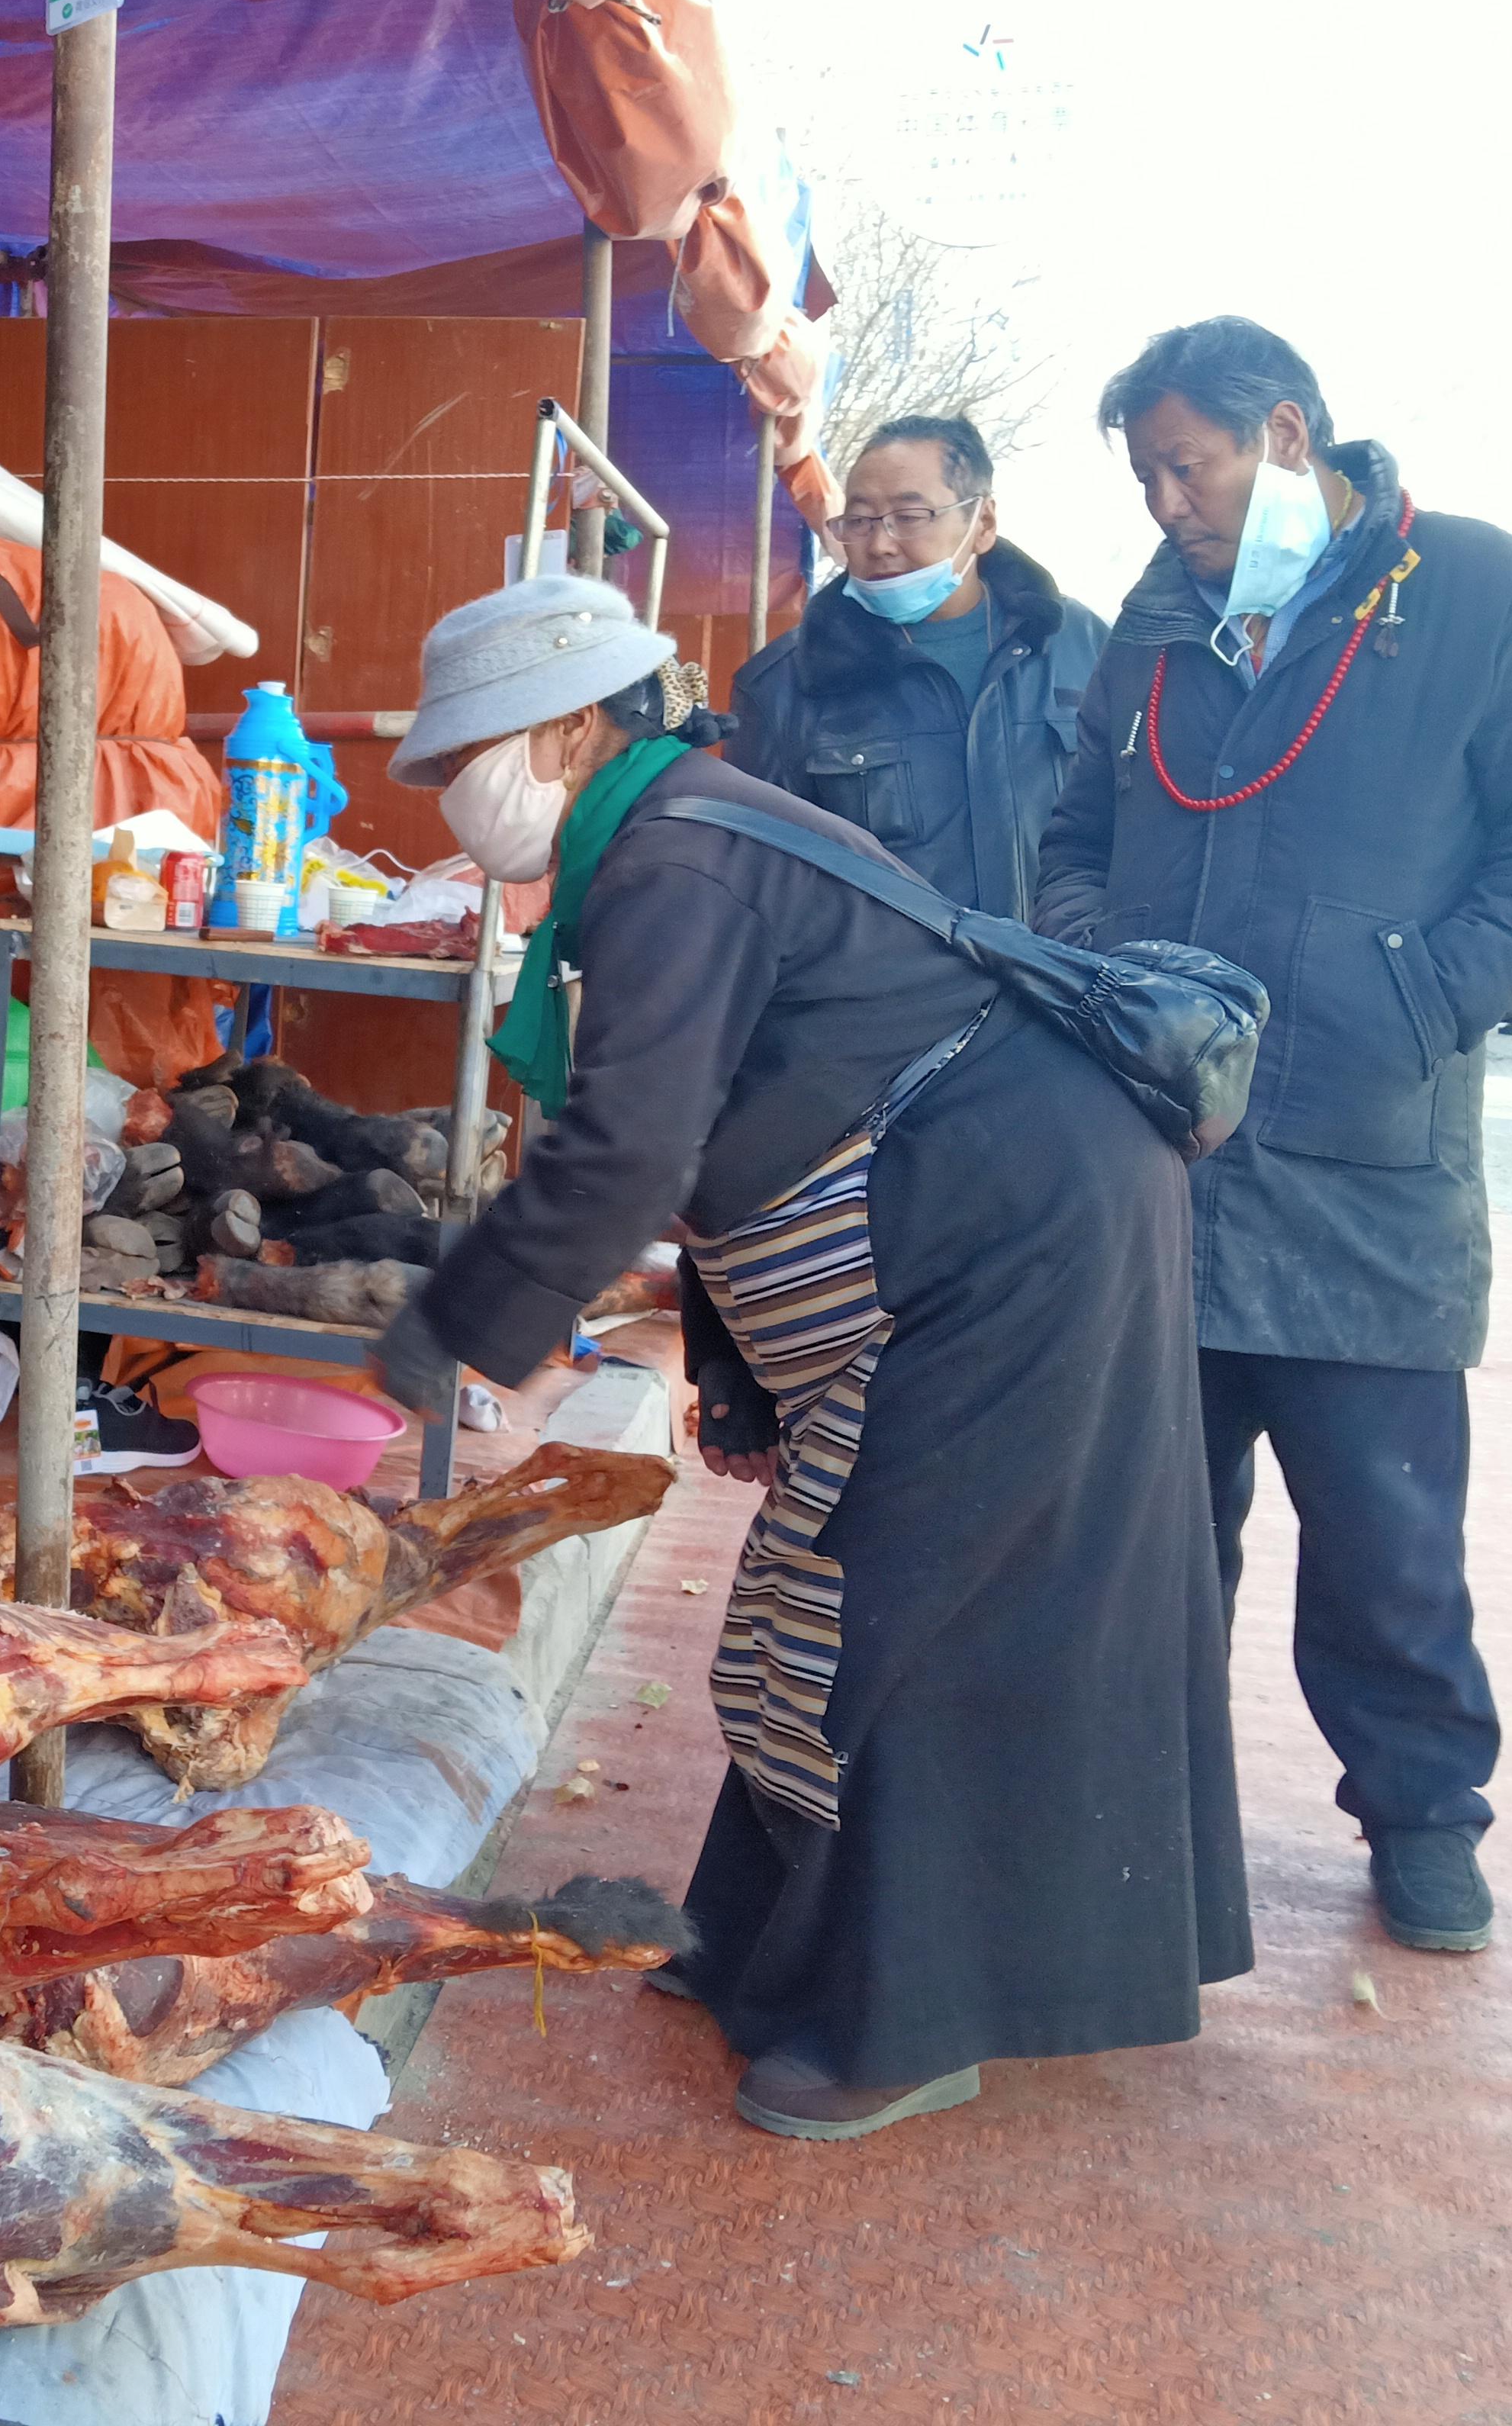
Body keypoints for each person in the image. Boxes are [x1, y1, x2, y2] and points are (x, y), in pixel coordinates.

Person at [371, 574, 1247, 2142]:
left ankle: (908, 2019)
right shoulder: (666, 838)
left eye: (464, 760)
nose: (450, 796)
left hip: (1012, 1237)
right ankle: (769, 1945)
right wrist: (749, 1377)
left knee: (905, 1610)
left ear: (573, 728)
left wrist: (447, 1339)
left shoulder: (676, 863)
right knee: (800, 1596)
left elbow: (636, 1147)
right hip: (958, 1225)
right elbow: (735, 1126)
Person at [1036, 318, 1512, 1955]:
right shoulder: (1158, 629)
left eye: (1189, 464)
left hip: (1369, 1164)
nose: (1166, 504)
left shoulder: (1482, 593)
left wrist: (1430, 997)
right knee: (1156, 1531)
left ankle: (1426, 1814)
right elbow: (1073, 837)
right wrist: (1105, 977)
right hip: (1165, 1156)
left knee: (1386, 1540)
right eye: (1146, 475)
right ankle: (1142, 1803)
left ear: (1285, 432)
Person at [729, 413, 1106, 919]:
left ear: (983, 524)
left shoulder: (1086, 647)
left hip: (1072, 983)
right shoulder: (785, 685)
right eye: (859, 521)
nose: (880, 544)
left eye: (909, 518)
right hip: (891, 994)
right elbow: (759, 886)